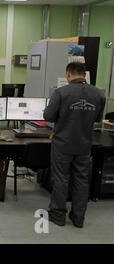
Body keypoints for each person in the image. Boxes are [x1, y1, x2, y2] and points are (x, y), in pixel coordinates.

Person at [43, 62, 105, 228]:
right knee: (82, 180)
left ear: (68, 74)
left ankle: (58, 215)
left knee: (61, 179)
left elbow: (48, 116)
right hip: (84, 144)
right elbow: (98, 119)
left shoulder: (61, 92)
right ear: (84, 74)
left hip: (63, 144)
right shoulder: (98, 94)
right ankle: (78, 218)